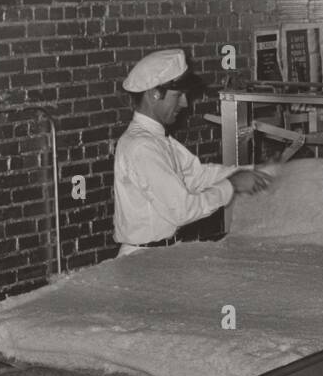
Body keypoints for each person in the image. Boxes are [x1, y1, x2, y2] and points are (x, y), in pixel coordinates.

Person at [113, 49, 270, 256]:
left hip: (161, 255)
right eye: (178, 95)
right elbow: (183, 210)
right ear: (154, 94)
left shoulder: (158, 140)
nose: (185, 103)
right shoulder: (142, 147)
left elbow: (197, 176)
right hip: (142, 260)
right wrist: (232, 185)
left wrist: (256, 172)